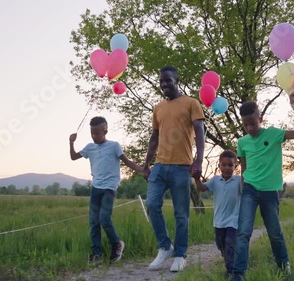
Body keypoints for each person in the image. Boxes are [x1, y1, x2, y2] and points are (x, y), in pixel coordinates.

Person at [231, 95, 294, 281]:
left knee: (274, 232)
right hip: (249, 190)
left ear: (260, 119)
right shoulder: (242, 142)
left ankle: (283, 264)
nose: (250, 128)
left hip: (270, 192)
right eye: (246, 125)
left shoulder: (274, 134)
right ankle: (238, 273)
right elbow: (244, 168)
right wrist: (242, 189)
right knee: (243, 232)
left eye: (253, 123)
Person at [143, 66, 205, 272]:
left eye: (168, 80)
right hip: (160, 166)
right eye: (161, 81)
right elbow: (154, 138)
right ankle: (165, 247)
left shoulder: (191, 103)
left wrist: (198, 161)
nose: (164, 84)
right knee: (152, 204)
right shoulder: (158, 108)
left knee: (181, 214)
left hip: (182, 167)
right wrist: (146, 163)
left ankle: (180, 254)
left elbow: (199, 131)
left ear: (177, 80)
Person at [69, 116, 143, 264]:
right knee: (93, 222)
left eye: (97, 133)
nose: (94, 136)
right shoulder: (90, 147)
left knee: (104, 218)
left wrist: (144, 170)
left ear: (105, 131)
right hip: (96, 187)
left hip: (109, 187)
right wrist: (71, 143)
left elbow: (127, 161)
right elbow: (73, 157)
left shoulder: (114, 146)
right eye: (92, 133)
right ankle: (96, 253)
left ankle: (116, 245)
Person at [193, 150, 242, 277]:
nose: (227, 168)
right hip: (219, 220)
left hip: (234, 219)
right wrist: (197, 179)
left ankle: (231, 271)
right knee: (221, 244)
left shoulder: (238, 181)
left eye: (230, 165)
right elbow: (202, 188)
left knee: (230, 243)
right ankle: (227, 256)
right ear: (219, 165)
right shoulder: (215, 180)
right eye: (224, 165)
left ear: (235, 166)